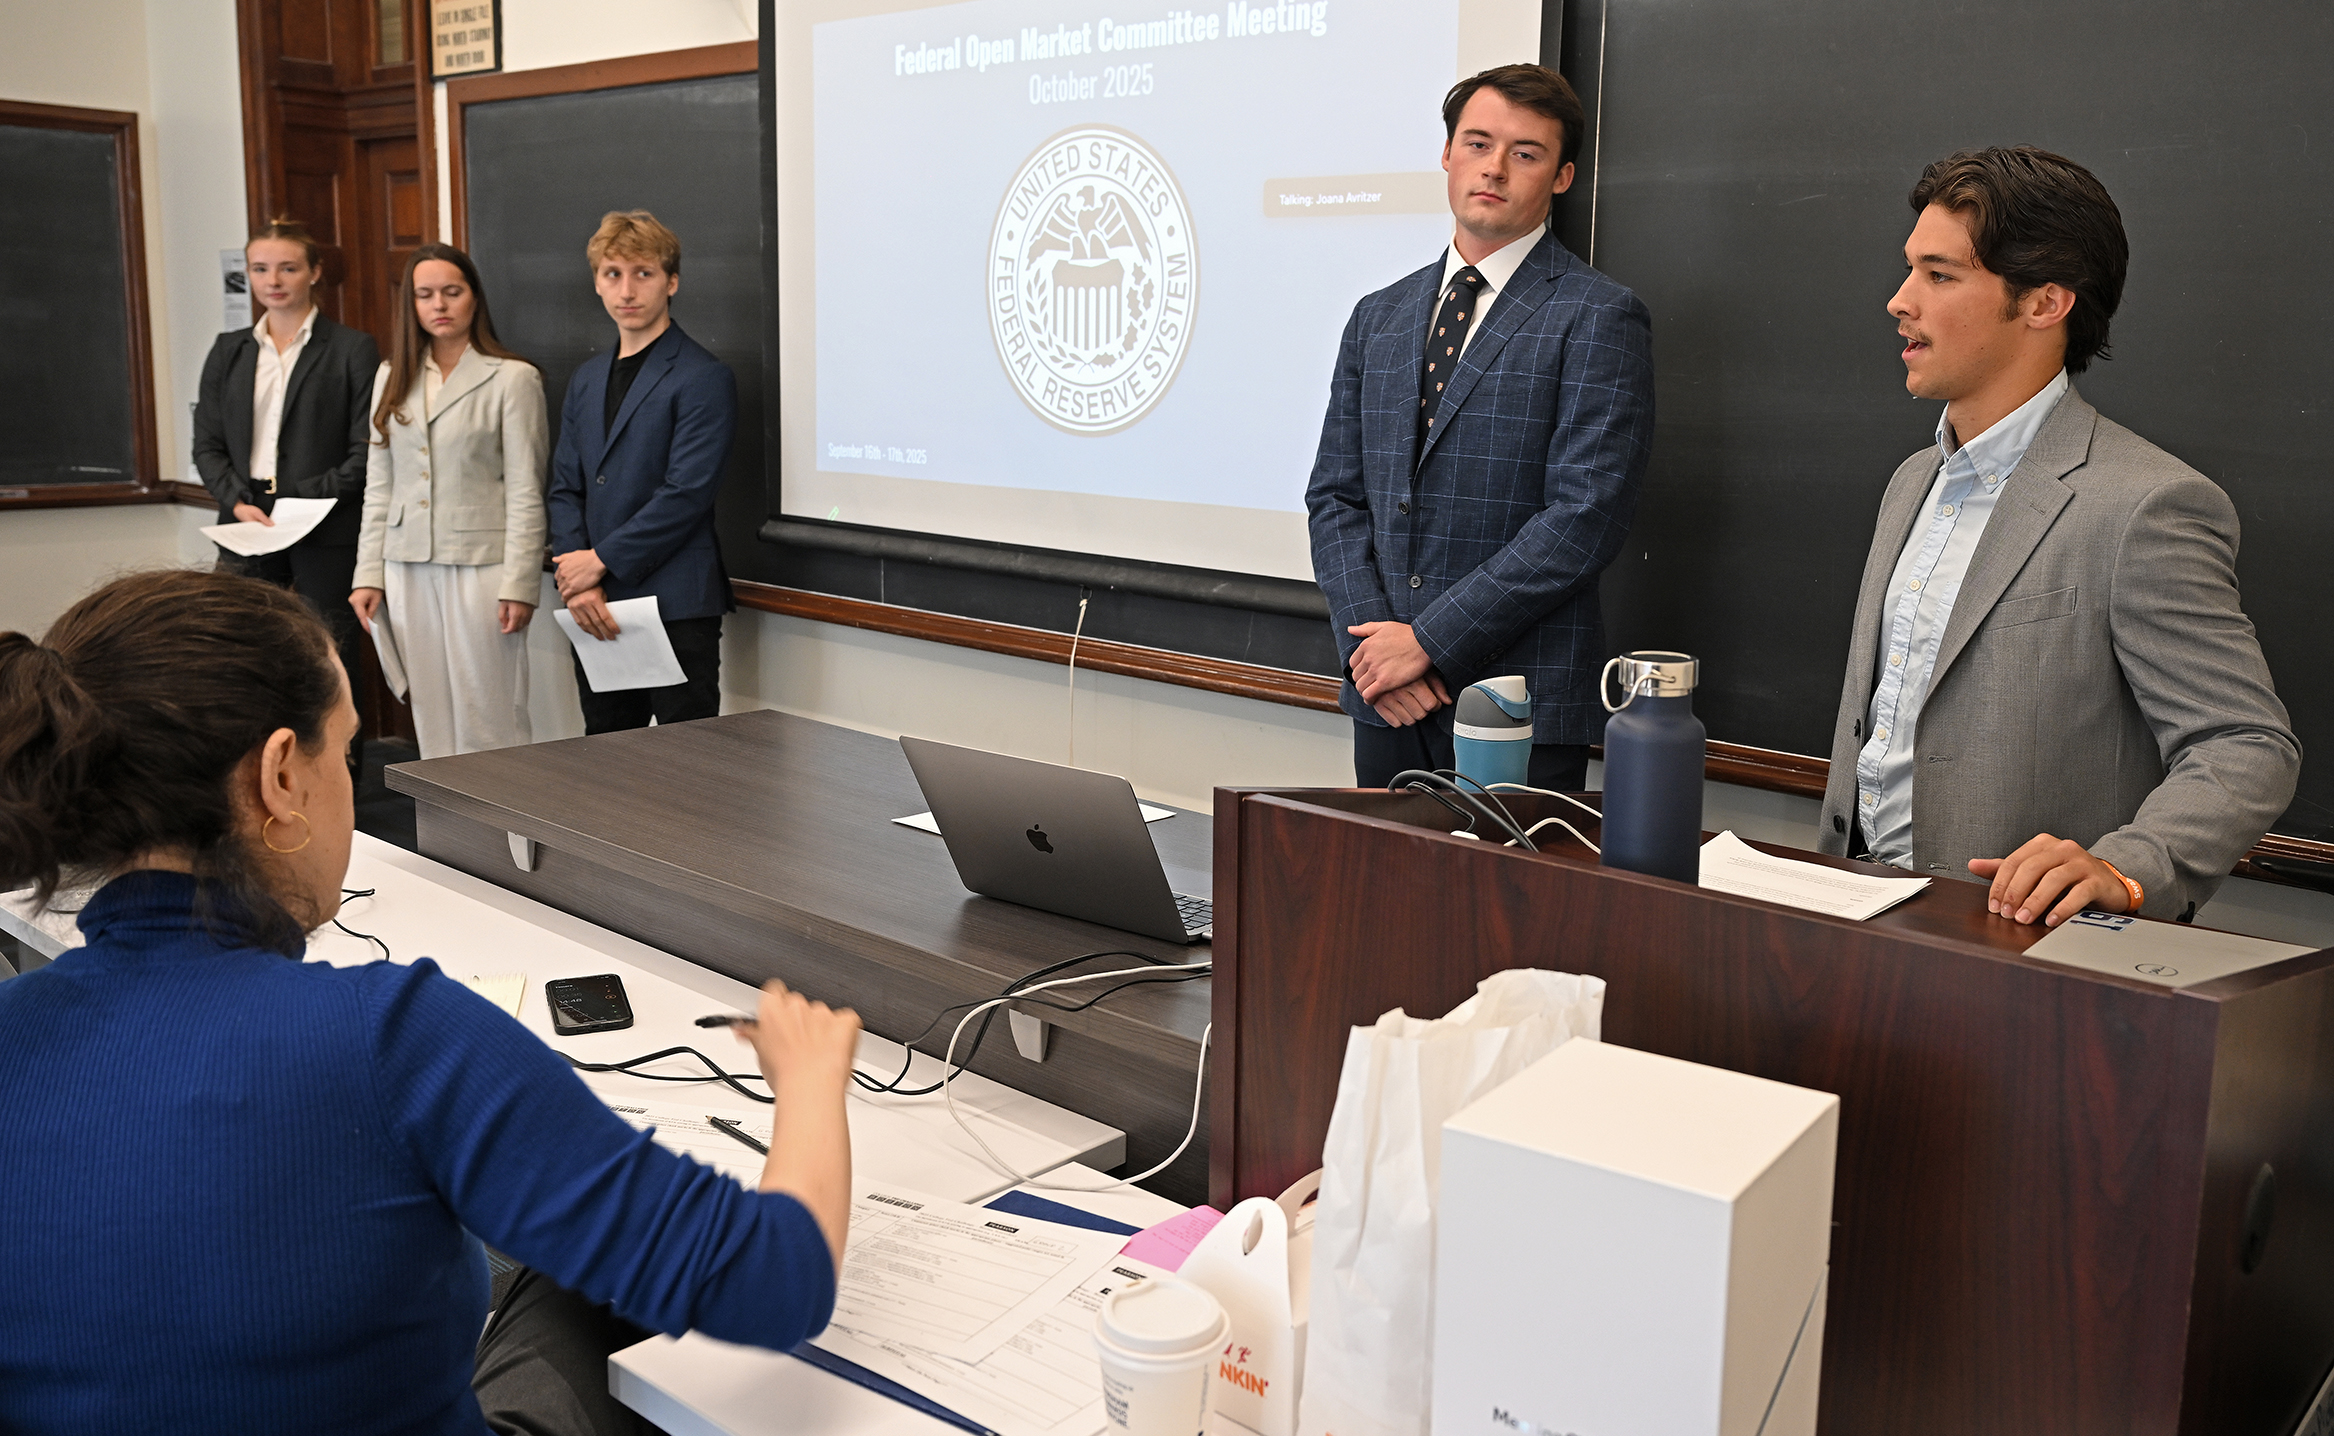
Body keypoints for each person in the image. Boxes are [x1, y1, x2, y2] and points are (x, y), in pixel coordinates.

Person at [0, 569, 858, 1434]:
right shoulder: (394, 1037)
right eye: (345, 751)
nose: (349, 779)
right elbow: (773, 1283)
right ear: (279, 780)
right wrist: (811, 1080)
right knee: (584, 1292)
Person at [1817, 147, 2300, 925]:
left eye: (1940, 276)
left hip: (2024, 955)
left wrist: (2126, 867)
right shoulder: (1913, 482)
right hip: (1855, 920)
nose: (1899, 301)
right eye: (1911, 270)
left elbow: (2244, 743)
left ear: (2045, 304)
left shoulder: (2147, 505)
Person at [1305, 64, 1656, 791]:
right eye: (1477, 143)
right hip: (1386, 704)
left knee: (1509, 909)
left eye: (1525, 153)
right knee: (1382, 904)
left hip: (1515, 705)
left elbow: (1583, 519)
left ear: (1561, 177)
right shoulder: (1378, 316)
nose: (1494, 167)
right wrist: (1374, 651)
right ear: (1446, 155)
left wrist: (1427, 645)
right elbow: (1335, 499)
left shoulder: (1597, 316)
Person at [351, 244, 549, 758]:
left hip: (482, 566)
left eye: (452, 292)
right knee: (431, 715)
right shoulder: (391, 375)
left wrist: (520, 582)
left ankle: (508, 840)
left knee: (491, 712)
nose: (439, 304)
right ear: (411, 305)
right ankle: (450, 839)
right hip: (405, 562)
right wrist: (367, 574)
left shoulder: (511, 378)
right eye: (425, 294)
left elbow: (527, 489)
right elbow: (380, 485)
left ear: (474, 298)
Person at [191, 219, 381, 749]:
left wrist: (299, 499)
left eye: (288, 267)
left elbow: (366, 450)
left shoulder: (351, 348)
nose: (273, 280)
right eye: (260, 268)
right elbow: (206, 444)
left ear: (315, 273)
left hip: (324, 520)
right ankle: (248, 771)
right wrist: (235, 498)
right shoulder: (229, 349)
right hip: (247, 517)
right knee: (237, 649)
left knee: (332, 655)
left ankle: (344, 781)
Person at [546, 210, 737, 733]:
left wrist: (600, 561)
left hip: (675, 603)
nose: (627, 290)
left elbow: (687, 493)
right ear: (597, 283)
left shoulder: (703, 376)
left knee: (685, 768)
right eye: (613, 274)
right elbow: (564, 487)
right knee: (606, 758)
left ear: (671, 281)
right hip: (594, 604)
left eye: (643, 273)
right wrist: (577, 578)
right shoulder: (586, 380)